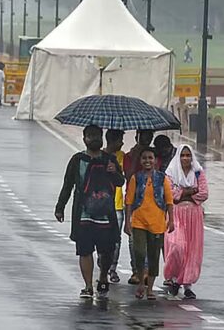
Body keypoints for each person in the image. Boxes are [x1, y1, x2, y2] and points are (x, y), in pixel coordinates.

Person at [55, 125, 123, 299]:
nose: (94, 139)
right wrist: (60, 207)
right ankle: (88, 286)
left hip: (106, 215)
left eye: (97, 135)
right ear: (84, 139)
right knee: (84, 250)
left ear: (102, 138)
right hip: (83, 214)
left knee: (107, 250)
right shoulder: (77, 160)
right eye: (90, 136)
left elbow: (120, 182)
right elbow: (68, 184)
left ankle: (103, 276)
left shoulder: (110, 159)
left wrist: (114, 172)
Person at [124, 147, 174, 300]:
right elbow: (129, 201)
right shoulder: (136, 178)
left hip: (157, 223)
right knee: (139, 253)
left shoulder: (162, 178)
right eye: (144, 158)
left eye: (150, 158)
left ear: (155, 161)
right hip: (139, 222)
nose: (147, 161)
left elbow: (169, 200)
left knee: (154, 256)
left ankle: (150, 288)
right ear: (140, 161)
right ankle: (141, 282)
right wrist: (127, 222)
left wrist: (171, 220)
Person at [163, 144, 208, 299]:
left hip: (194, 216)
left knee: (192, 250)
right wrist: (188, 192)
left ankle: (187, 284)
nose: (185, 158)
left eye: (188, 155)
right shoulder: (171, 173)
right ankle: (173, 276)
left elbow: (203, 193)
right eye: (182, 155)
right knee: (177, 246)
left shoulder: (198, 172)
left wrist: (182, 193)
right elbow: (171, 194)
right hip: (176, 214)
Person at [122, 129, 155, 285]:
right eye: (143, 136)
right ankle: (136, 270)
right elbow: (128, 175)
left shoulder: (153, 156)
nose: (146, 139)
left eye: (149, 136)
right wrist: (136, 157)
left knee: (149, 237)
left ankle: (147, 270)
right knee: (133, 238)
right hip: (134, 200)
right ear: (137, 137)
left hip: (151, 202)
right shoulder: (129, 156)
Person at [103, 129, 126, 284]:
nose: (122, 143)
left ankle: (112, 268)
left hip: (118, 204)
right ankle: (103, 264)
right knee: (102, 239)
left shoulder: (123, 157)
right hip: (103, 205)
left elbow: (123, 178)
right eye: (119, 140)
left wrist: (115, 168)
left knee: (116, 239)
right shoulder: (99, 156)